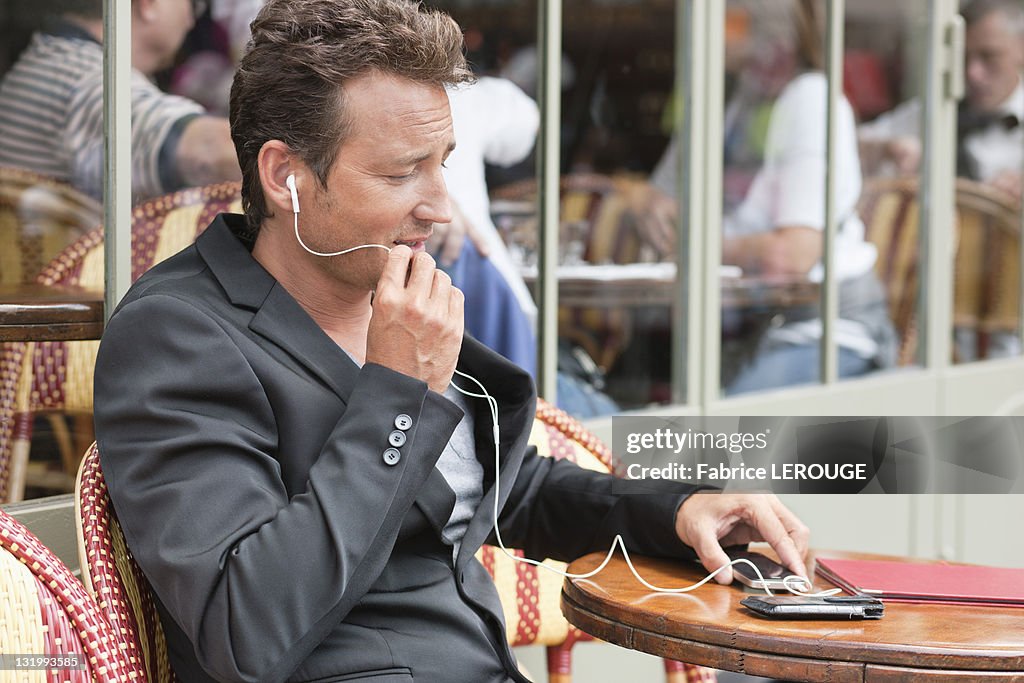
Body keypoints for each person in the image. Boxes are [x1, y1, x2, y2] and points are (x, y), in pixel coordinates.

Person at [92, 1, 810, 681]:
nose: (440, 206)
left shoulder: (387, 289)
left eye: (445, 162)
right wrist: (399, 390)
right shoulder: (177, 335)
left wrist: (673, 510)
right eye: (403, 171)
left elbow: (497, 483)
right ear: (286, 177)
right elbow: (242, 623)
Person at [640, 0, 896, 394]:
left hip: (821, 331)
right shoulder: (732, 96)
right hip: (737, 329)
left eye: (732, 18)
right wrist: (653, 208)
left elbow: (791, 256)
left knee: (720, 433)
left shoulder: (812, 99)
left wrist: (692, 242)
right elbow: (659, 193)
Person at [0, 0, 240, 202]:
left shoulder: (52, 59)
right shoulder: (86, 79)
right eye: (193, 4)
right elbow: (208, 150)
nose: (190, 20)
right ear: (148, 4)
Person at [859, 0, 1024, 204]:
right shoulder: (938, 109)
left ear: (1021, 48)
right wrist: (885, 149)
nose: (973, 73)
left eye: (989, 56)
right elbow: (849, 144)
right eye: (963, 59)